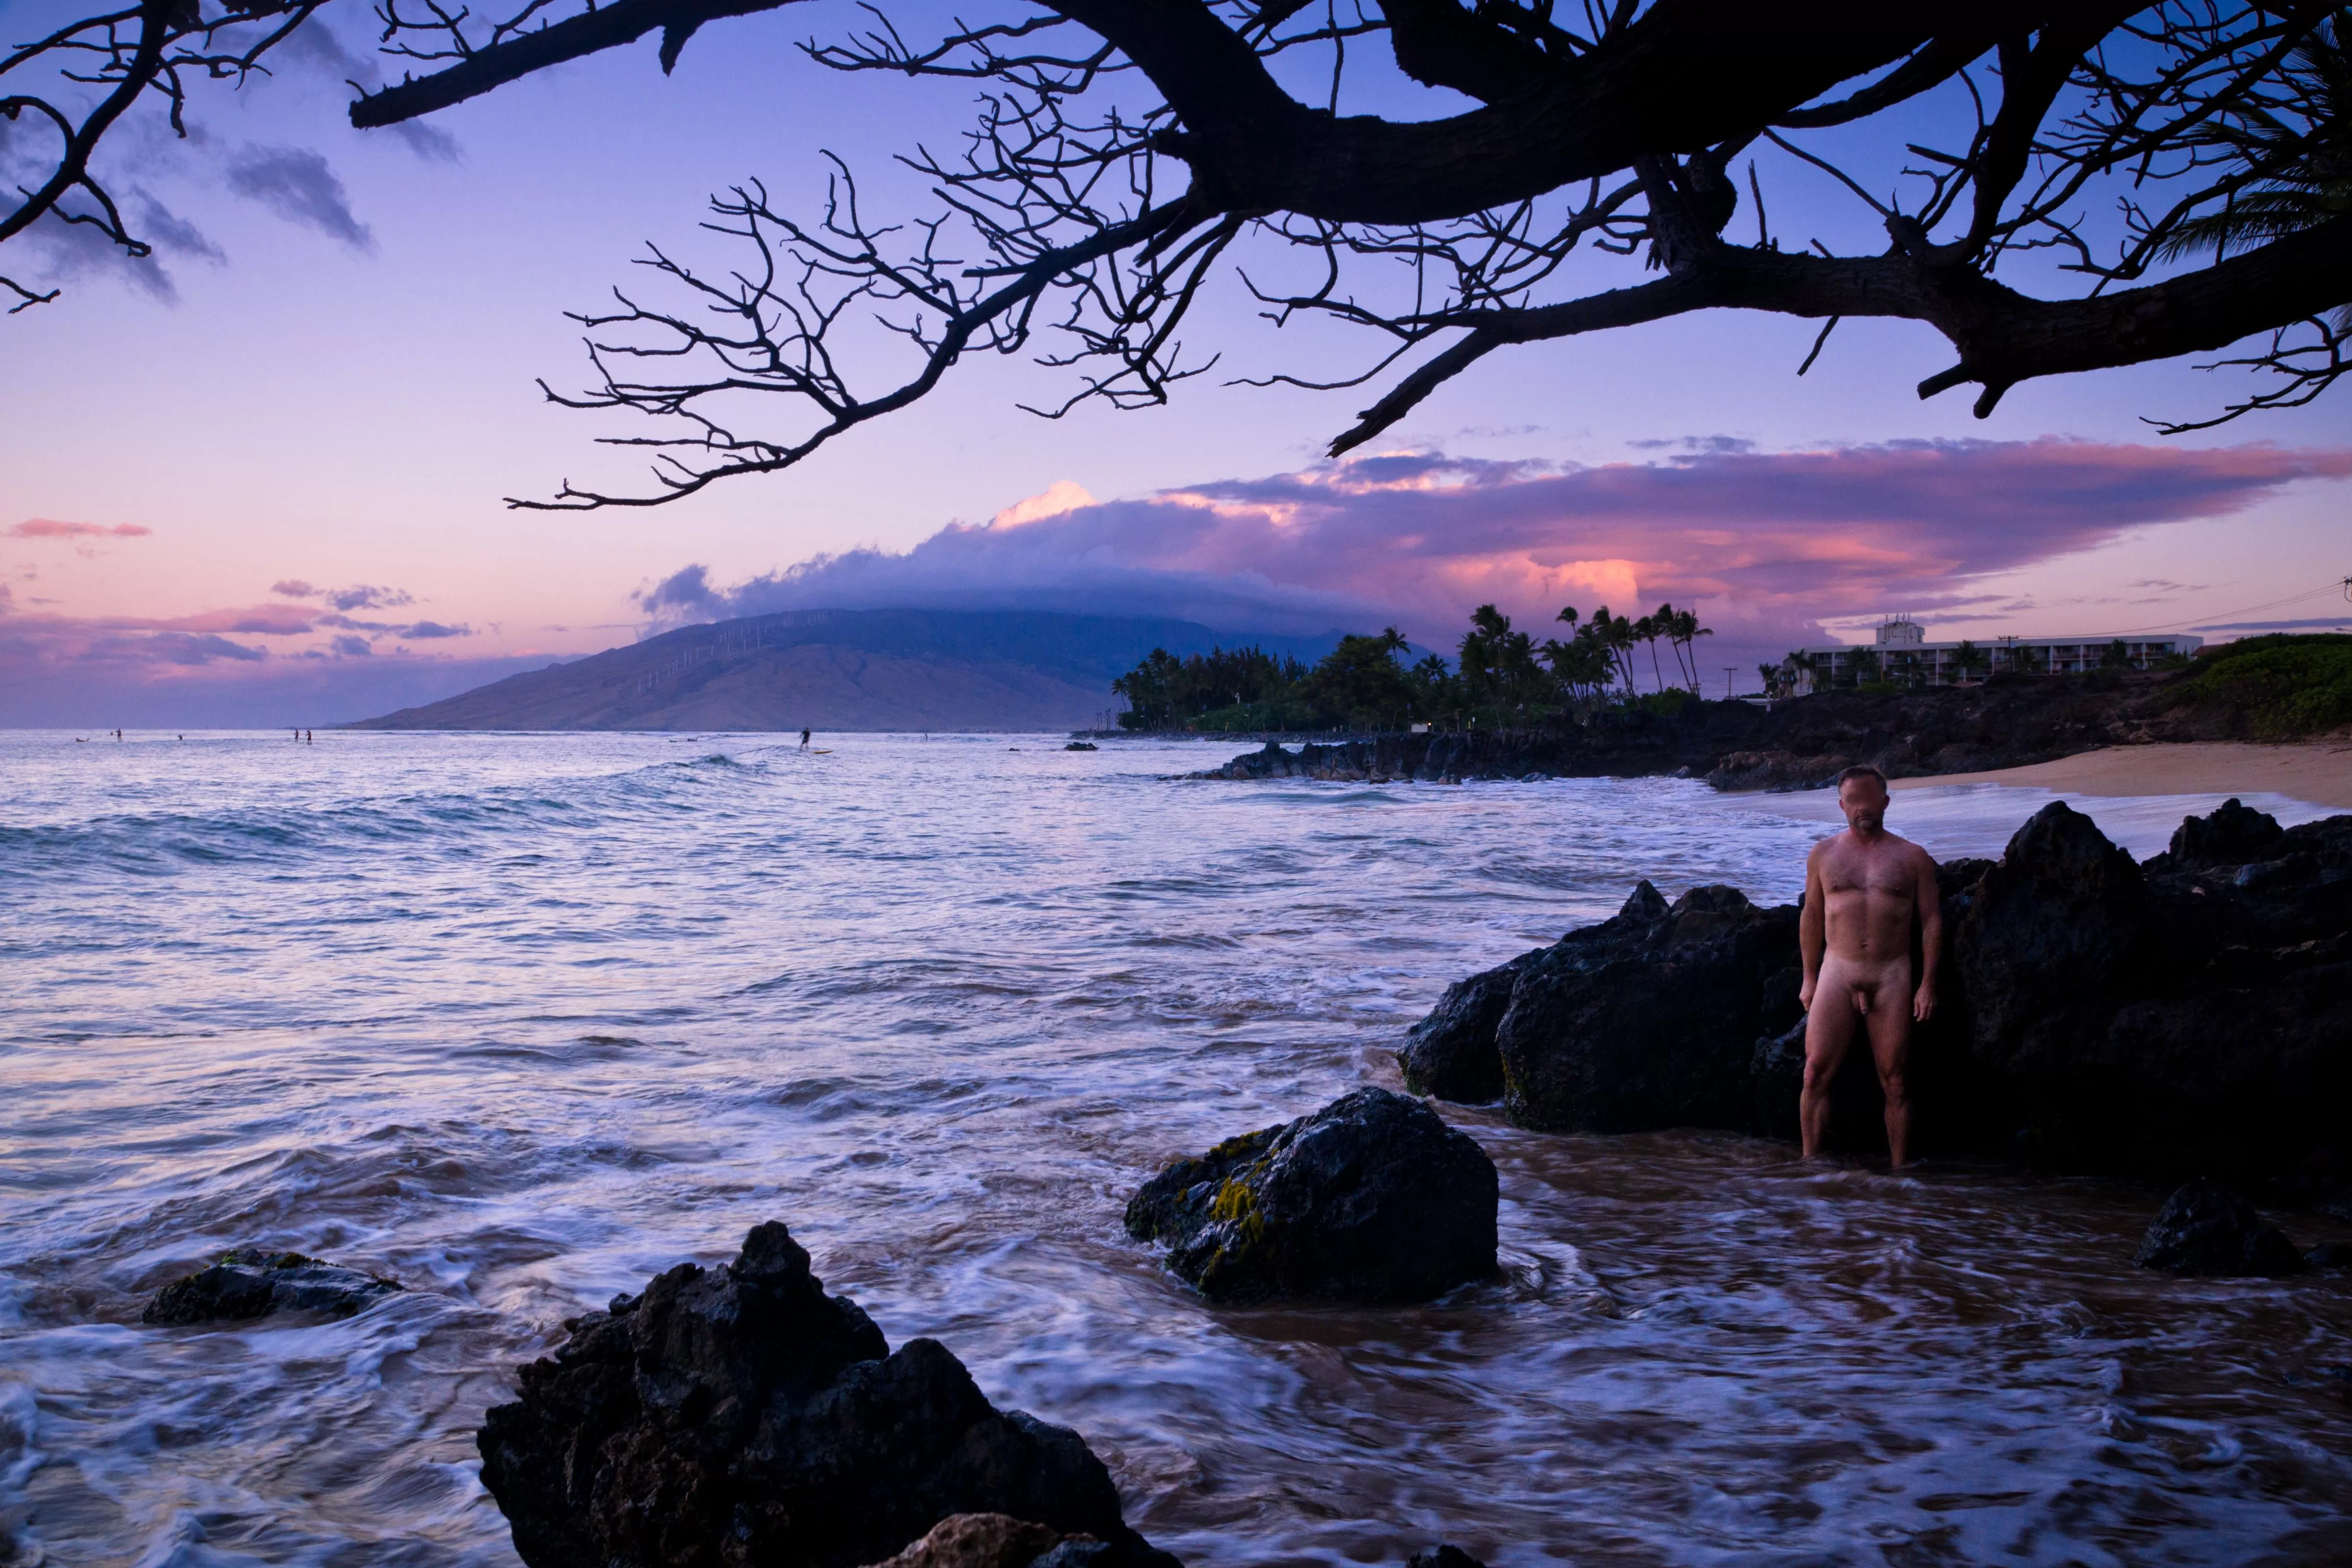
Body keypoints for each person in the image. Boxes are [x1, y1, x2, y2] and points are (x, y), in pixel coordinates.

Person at [1797, 763, 1940, 1168]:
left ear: (1885, 802)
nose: (1862, 807)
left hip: (1891, 974)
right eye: (1854, 800)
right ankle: (1810, 1167)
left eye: (1869, 798)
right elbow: (1811, 915)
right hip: (1837, 972)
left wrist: (1927, 984)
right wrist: (1808, 979)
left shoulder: (1913, 858)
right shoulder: (1823, 854)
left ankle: (1899, 1173)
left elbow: (1932, 921)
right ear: (1842, 805)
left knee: (1895, 1082)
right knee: (1814, 1074)